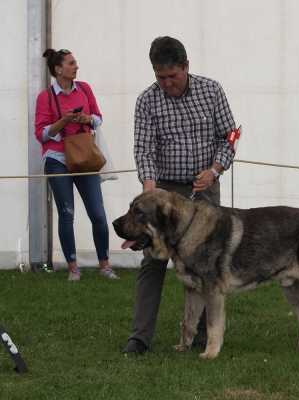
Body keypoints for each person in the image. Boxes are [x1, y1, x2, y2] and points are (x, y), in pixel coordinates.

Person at [122, 36, 237, 354]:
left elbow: (229, 137)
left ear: (187, 66)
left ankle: (203, 335)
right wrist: (149, 189)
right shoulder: (147, 100)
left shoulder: (211, 90)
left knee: (206, 262)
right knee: (152, 260)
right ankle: (139, 337)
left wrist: (213, 170)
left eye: (173, 76)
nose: (167, 83)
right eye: (160, 77)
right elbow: (144, 147)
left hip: (203, 186)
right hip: (164, 192)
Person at [34, 48, 118, 282]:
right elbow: (41, 134)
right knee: (66, 214)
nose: (76, 66)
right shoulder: (46, 97)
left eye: (76, 63)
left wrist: (87, 119)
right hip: (57, 160)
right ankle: (73, 269)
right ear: (58, 69)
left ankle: (105, 266)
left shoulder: (85, 89)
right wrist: (64, 121)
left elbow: (98, 118)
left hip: (84, 157)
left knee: (98, 214)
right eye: (71, 63)